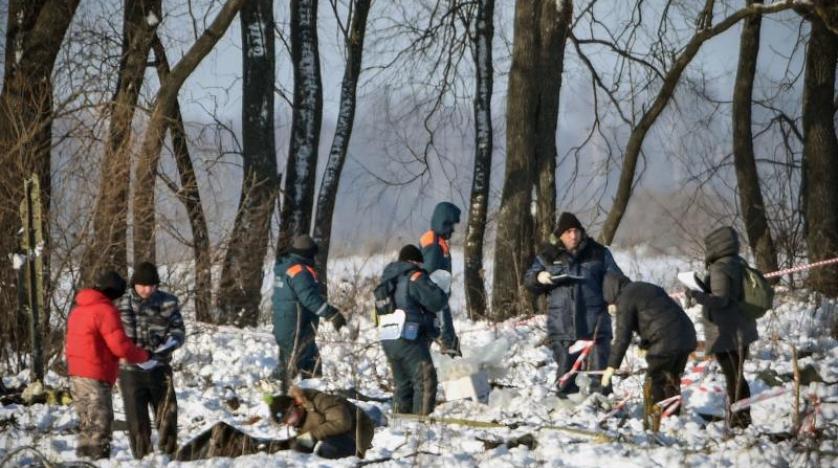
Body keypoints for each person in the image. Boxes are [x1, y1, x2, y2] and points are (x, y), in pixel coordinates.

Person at [524, 212, 623, 397]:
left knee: (600, 373)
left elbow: (615, 278)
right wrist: (539, 277)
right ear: (560, 234)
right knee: (566, 375)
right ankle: (566, 406)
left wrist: (615, 299)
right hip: (562, 324)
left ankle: (601, 403)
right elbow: (529, 280)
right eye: (568, 232)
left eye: (576, 231)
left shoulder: (598, 252)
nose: (573, 235)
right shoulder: (547, 255)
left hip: (595, 323)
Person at [65, 271, 151, 459]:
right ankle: (97, 462)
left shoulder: (78, 309)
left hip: (76, 376)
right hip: (95, 375)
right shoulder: (104, 310)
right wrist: (144, 355)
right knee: (100, 428)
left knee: (88, 427)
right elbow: (120, 347)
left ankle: (85, 462)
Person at [600, 272, 697, 424]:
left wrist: (611, 366)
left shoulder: (625, 299)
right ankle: (672, 419)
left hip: (666, 341)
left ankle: (655, 422)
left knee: (654, 382)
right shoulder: (645, 287)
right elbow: (655, 315)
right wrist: (644, 345)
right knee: (671, 378)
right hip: (686, 335)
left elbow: (622, 337)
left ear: (610, 291)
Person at [685, 226, 758, 428]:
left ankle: (740, 420)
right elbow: (728, 295)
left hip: (727, 332)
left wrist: (696, 294)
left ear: (715, 246)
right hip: (741, 329)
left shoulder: (719, 267)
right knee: (737, 375)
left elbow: (720, 300)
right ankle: (741, 418)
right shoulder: (737, 263)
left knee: (733, 377)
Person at [117, 262, 186, 459]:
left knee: (167, 415)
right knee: (136, 419)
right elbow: (116, 336)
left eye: (152, 285)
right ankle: (142, 458)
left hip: (160, 367)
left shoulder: (168, 302)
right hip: (130, 370)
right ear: (134, 285)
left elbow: (178, 330)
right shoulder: (121, 304)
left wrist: (169, 345)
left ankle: (169, 455)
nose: (147, 290)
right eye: (142, 285)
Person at [379, 245, 448, 414]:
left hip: (388, 337)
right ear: (414, 261)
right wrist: (441, 289)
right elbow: (437, 301)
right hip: (408, 337)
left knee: (403, 385)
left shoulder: (387, 279)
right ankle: (420, 426)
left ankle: (398, 423)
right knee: (425, 380)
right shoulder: (414, 277)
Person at [271, 235, 347, 391]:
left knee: (312, 363)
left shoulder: (285, 267)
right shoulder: (300, 272)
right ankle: (270, 390)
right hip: (296, 328)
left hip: (290, 325)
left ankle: (313, 395)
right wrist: (332, 314)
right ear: (309, 254)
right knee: (291, 366)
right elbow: (310, 299)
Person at [268, 385, 375, 459]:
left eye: (288, 417)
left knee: (325, 448)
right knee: (300, 447)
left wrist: (311, 435)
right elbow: (307, 439)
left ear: (295, 405)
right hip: (338, 437)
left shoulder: (319, 401)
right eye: (284, 422)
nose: (288, 423)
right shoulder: (300, 422)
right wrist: (287, 445)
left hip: (358, 431)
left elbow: (342, 423)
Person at [419, 201, 462, 356]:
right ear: (444, 222)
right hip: (434, 301)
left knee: (427, 341)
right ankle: (452, 366)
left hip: (437, 300)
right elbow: (429, 272)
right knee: (447, 341)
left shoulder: (438, 241)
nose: (452, 230)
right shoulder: (433, 242)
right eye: (451, 225)